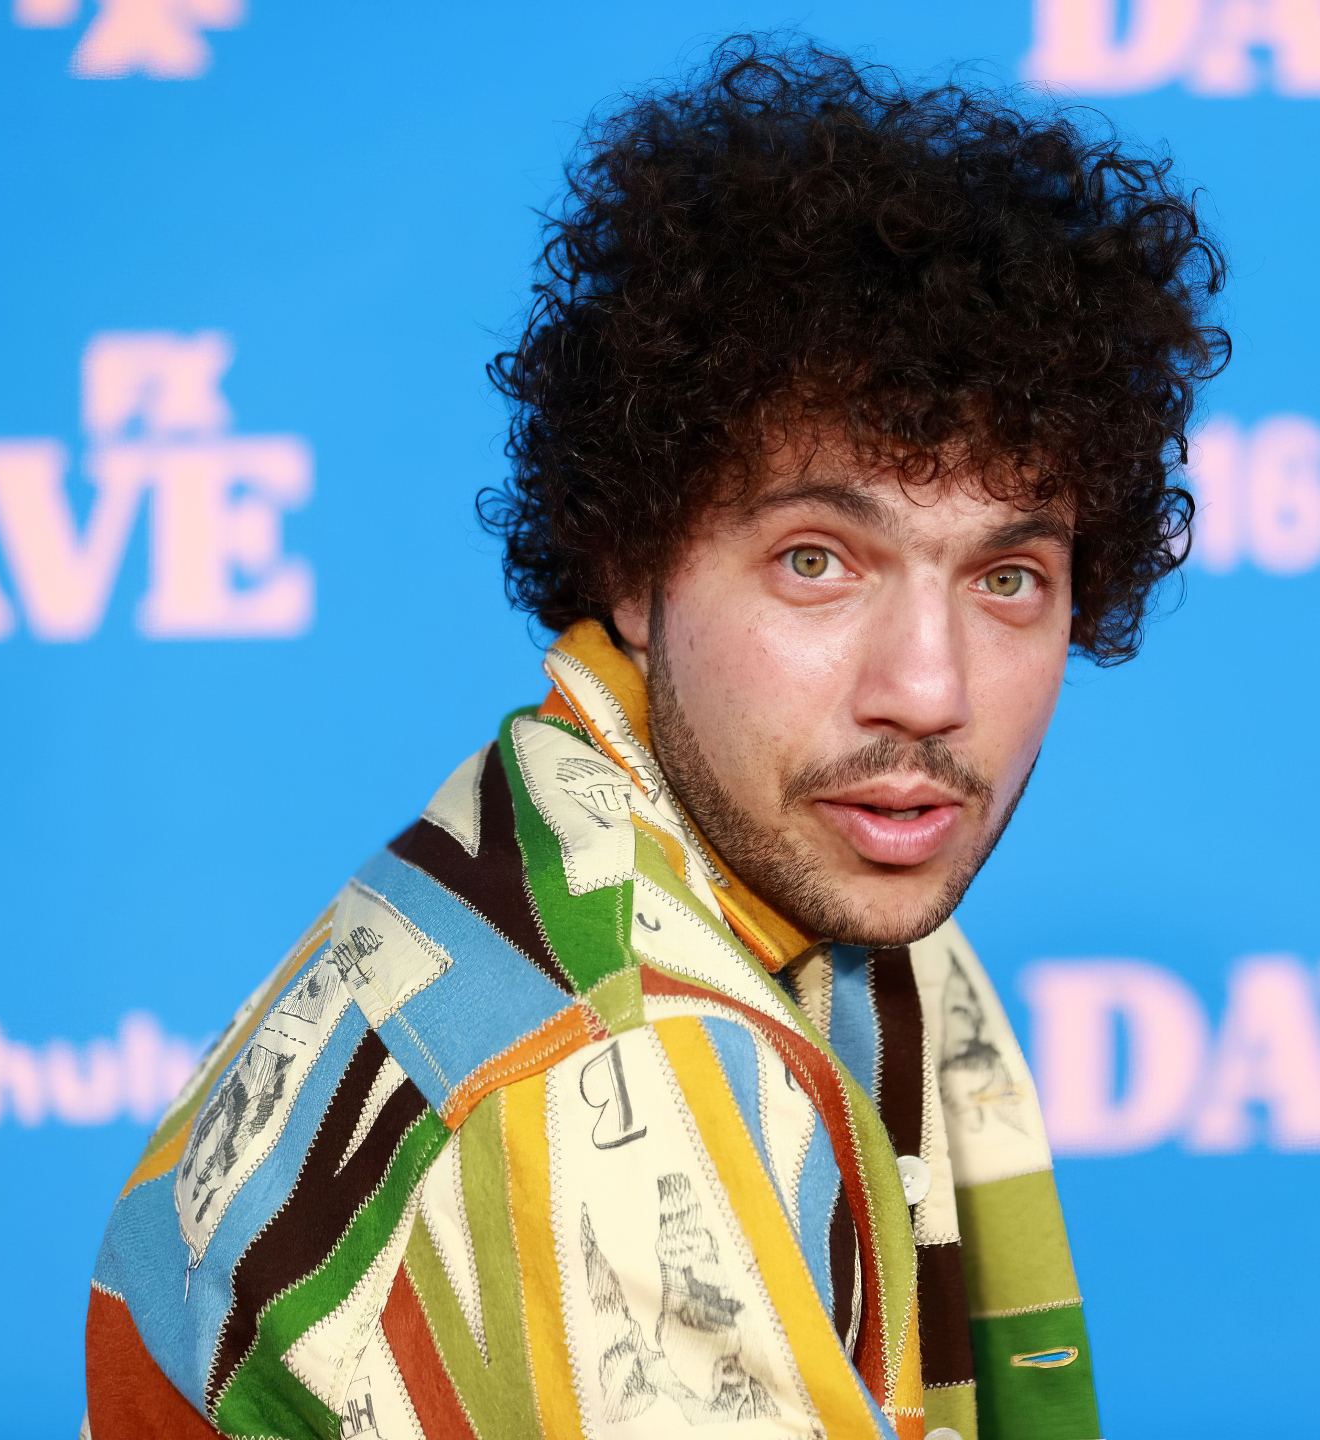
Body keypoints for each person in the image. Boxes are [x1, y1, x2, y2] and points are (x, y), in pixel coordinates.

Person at [83, 35, 1225, 1440]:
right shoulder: (610, 1067)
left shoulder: (828, 908)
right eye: (819, 560)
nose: (928, 692)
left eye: (1007, 579)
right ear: (632, 564)